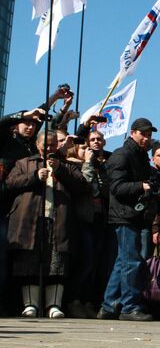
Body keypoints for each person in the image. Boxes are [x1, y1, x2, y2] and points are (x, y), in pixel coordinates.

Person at [6, 130, 89, 318]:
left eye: (53, 144)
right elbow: (10, 183)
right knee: (29, 262)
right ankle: (30, 304)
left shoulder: (67, 164)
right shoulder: (24, 163)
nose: (49, 148)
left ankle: (54, 305)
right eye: (46, 144)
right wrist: (34, 176)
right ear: (38, 144)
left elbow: (82, 185)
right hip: (29, 220)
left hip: (58, 219)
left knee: (57, 262)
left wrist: (60, 169)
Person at [97, 118, 158, 321]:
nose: (147, 138)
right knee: (131, 261)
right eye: (143, 134)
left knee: (122, 262)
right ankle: (129, 307)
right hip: (124, 216)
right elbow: (116, 188)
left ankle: (108, 306)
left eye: (149, 135)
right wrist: (142, 186)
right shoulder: (121, 155)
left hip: (134, 215)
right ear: (133, 133)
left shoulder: (140, 156)